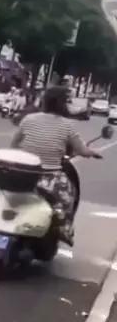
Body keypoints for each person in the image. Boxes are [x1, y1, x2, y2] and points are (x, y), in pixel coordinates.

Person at [11, 86, 102, 245]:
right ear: (63, 104)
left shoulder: (28, 119)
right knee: (69, 196)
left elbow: (14, 144)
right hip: (49, 177)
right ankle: (63, 228)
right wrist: (92, 152)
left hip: (23, 173)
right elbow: (81, 150)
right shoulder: (66, 125)